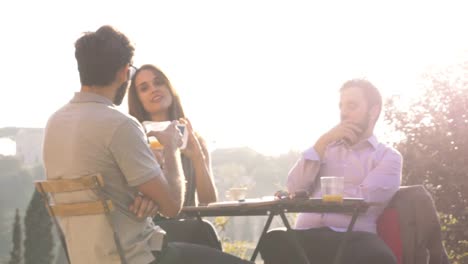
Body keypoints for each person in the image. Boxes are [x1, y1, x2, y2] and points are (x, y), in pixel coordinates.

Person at [43, 25, 252, 264]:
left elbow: (110, 186)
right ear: (124, 73)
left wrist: (148, 196)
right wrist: (172, 148)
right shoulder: (120, 125)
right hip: (139, 257)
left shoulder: (54, 124)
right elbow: (172, 206)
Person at [259, 79, 402, 264]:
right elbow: (294, 187)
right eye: (341, 106)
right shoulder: (324, 148)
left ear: (373, 111)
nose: (344, 113)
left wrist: (321, 196)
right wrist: (321, 143)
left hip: (353, 237)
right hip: (306, 235)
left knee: (378, 256)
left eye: (352, 106)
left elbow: (367, 199)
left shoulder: (388, 156)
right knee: (273, 240)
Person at [128, 64, 221, 249]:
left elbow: (208, 201)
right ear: (138, 99)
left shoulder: (195, 139)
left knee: (202, 229)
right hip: (151, 231)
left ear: (169, 88)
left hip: (191, 229)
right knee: (202, 231)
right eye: (144, 88)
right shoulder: (136, 139)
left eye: (158, 82)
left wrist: (197, 158)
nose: (154, 89)